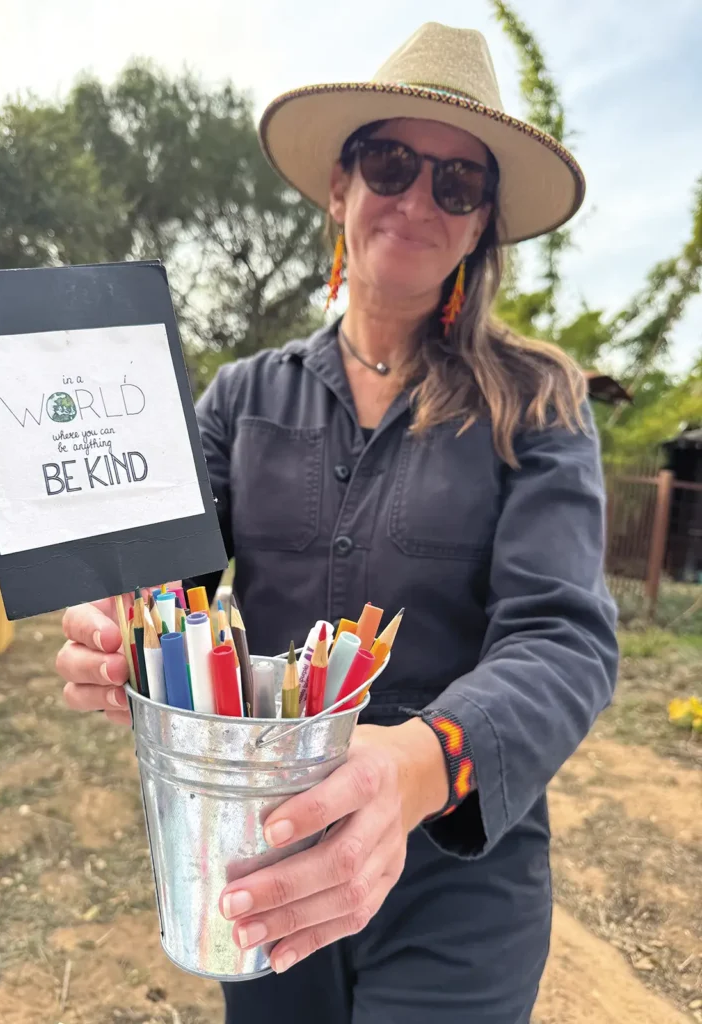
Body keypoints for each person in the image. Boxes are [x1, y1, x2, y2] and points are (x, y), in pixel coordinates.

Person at [55, 22, 619, 1024]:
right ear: (340, 185)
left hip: (464, 881)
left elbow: (563, 638)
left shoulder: (539, 403)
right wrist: (124, 634)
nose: (416, 199)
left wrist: (414, 765)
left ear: (482, 221)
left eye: (457, 183)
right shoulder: (238, 399)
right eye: (391, 162)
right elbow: (172, 590)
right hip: (261, 849)